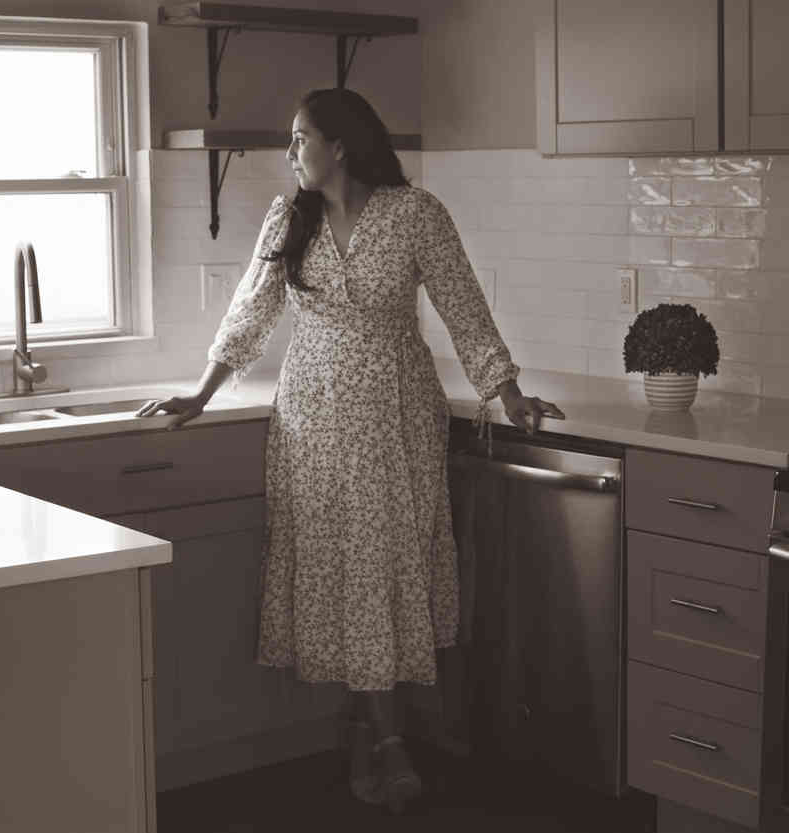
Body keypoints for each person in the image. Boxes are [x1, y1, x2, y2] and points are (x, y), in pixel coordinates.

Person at [136, 87, 566, 814]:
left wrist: (508, 391)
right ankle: (377, 731)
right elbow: (251, 311)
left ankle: (381, 734)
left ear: (340, 146)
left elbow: (463, 304)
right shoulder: (288, 217)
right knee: (337, 568)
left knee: (383, 567)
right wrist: (200, 394)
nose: (290, 152)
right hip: (312, 419)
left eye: (300, 138)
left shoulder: (415, 214)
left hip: (395, 414)